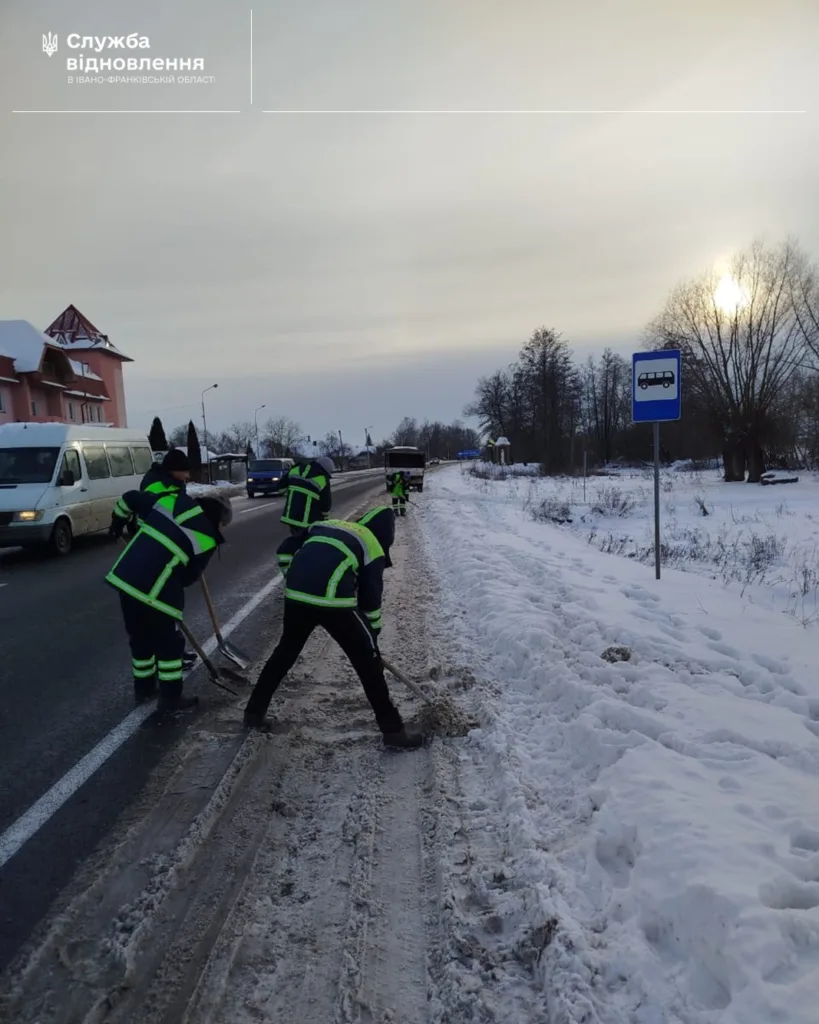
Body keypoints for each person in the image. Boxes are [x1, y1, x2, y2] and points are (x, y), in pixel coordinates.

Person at [243, 505, 423, 749]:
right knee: (368, 668)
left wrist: (295, 578)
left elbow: (284, 550)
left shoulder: (327, 525)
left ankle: (253, 714)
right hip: (334, 602)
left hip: (296, 595)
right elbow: (370, 601)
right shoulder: (372, 545)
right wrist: (372, 644)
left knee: (284, 653)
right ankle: (394, 732)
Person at [106, 488, 232, 715]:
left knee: (140, 638)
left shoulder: (170, 501)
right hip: (157, 591)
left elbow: (130, 498)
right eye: (223, 524)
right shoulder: (206, 538)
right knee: (170, 646)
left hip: (125, 578)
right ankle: (171, 698)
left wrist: (118, 522)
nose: (222, 529)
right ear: (216, 519)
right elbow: (188, 578)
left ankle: (144, 689)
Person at [138, 448, 197, 669]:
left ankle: (175, 652)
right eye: (185, 472)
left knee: (171, 608)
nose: (188, 477)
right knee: (166, 607)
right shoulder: (157, 487)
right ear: (174, 470)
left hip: (167, 548)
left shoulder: (172, 483)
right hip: (157, 550)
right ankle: (170, 656)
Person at [280, 455, 335, 536]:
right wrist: (325, 521)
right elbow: (326, 504)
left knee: (295, 539)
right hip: (309, 520)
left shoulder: (295, 469)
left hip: (291, 517)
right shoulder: (323, 479)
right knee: (307, 543)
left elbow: (280, 487)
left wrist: (294, 495)